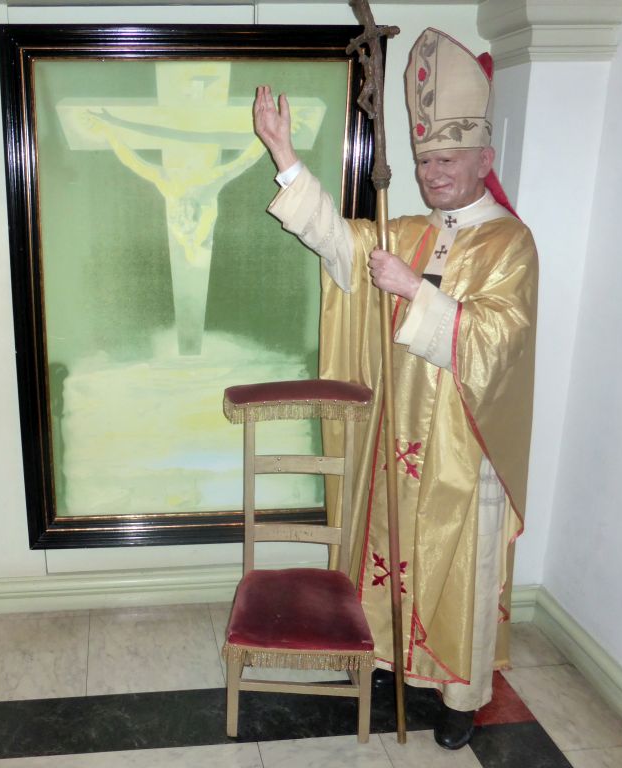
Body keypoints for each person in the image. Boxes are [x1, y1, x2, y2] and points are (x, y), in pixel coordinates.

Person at [252, 28, 538, 749]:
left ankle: (458, 698)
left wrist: (416, 291)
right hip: (396, 433)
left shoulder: (510, 243)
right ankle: (384, 659)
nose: (434, 172)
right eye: (425, 160)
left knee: (456, 567)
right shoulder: (407, 228)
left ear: (484, 158)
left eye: (448, 158)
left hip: (459, 449)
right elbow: (341, 244)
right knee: (386, 547)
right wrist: (285, 158)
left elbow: (498, 342)